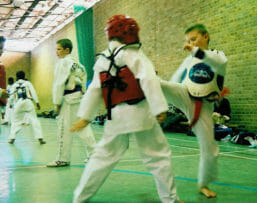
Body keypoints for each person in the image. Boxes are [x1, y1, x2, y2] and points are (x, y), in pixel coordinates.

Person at [71, 15, 182, 203]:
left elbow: (94, 89)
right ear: (132, 34)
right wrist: (159, 108)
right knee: (158, 157)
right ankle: (170, 199)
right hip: (142, 114)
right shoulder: (136, 55)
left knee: (102, 157)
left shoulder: (102, 60)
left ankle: (80, 197)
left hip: (116, 117)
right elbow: (149, 80)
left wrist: (85, 117)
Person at [160, 24, 228, 198]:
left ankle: (203, 184)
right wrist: (164, 105)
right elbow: (176, 77)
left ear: (205, 36)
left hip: (204, 105)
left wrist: (196, 51)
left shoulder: (218, 56)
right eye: (188, 41)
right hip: (184, 94)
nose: (190, 43)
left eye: (194, 39)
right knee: (157, 82)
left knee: (209, 148)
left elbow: (218, 63)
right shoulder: (190, 59)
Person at [46, 38, 96, 167]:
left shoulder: (63, 63)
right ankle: (94, 155)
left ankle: (62, 158)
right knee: (83, 127)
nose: (56, 52)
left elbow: (58, 84)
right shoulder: (79, 65)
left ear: (66, 50)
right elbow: (84, 83)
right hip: (79, 97)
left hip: (67, 100)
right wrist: (83, 95)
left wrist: (56, 103)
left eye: (58, 49)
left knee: (63, 129)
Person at [8, 71, 46, 144]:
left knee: (15, 121)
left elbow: (11, 96)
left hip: (18, 103)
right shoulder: (28, 83)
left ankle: (12, 138)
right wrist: (37, 103)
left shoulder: (14, 85)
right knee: (34, 120)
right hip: (28, 102)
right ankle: (40, 138)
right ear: (24, 76)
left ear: (17, 77)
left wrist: (10, 103)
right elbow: (33, 93)